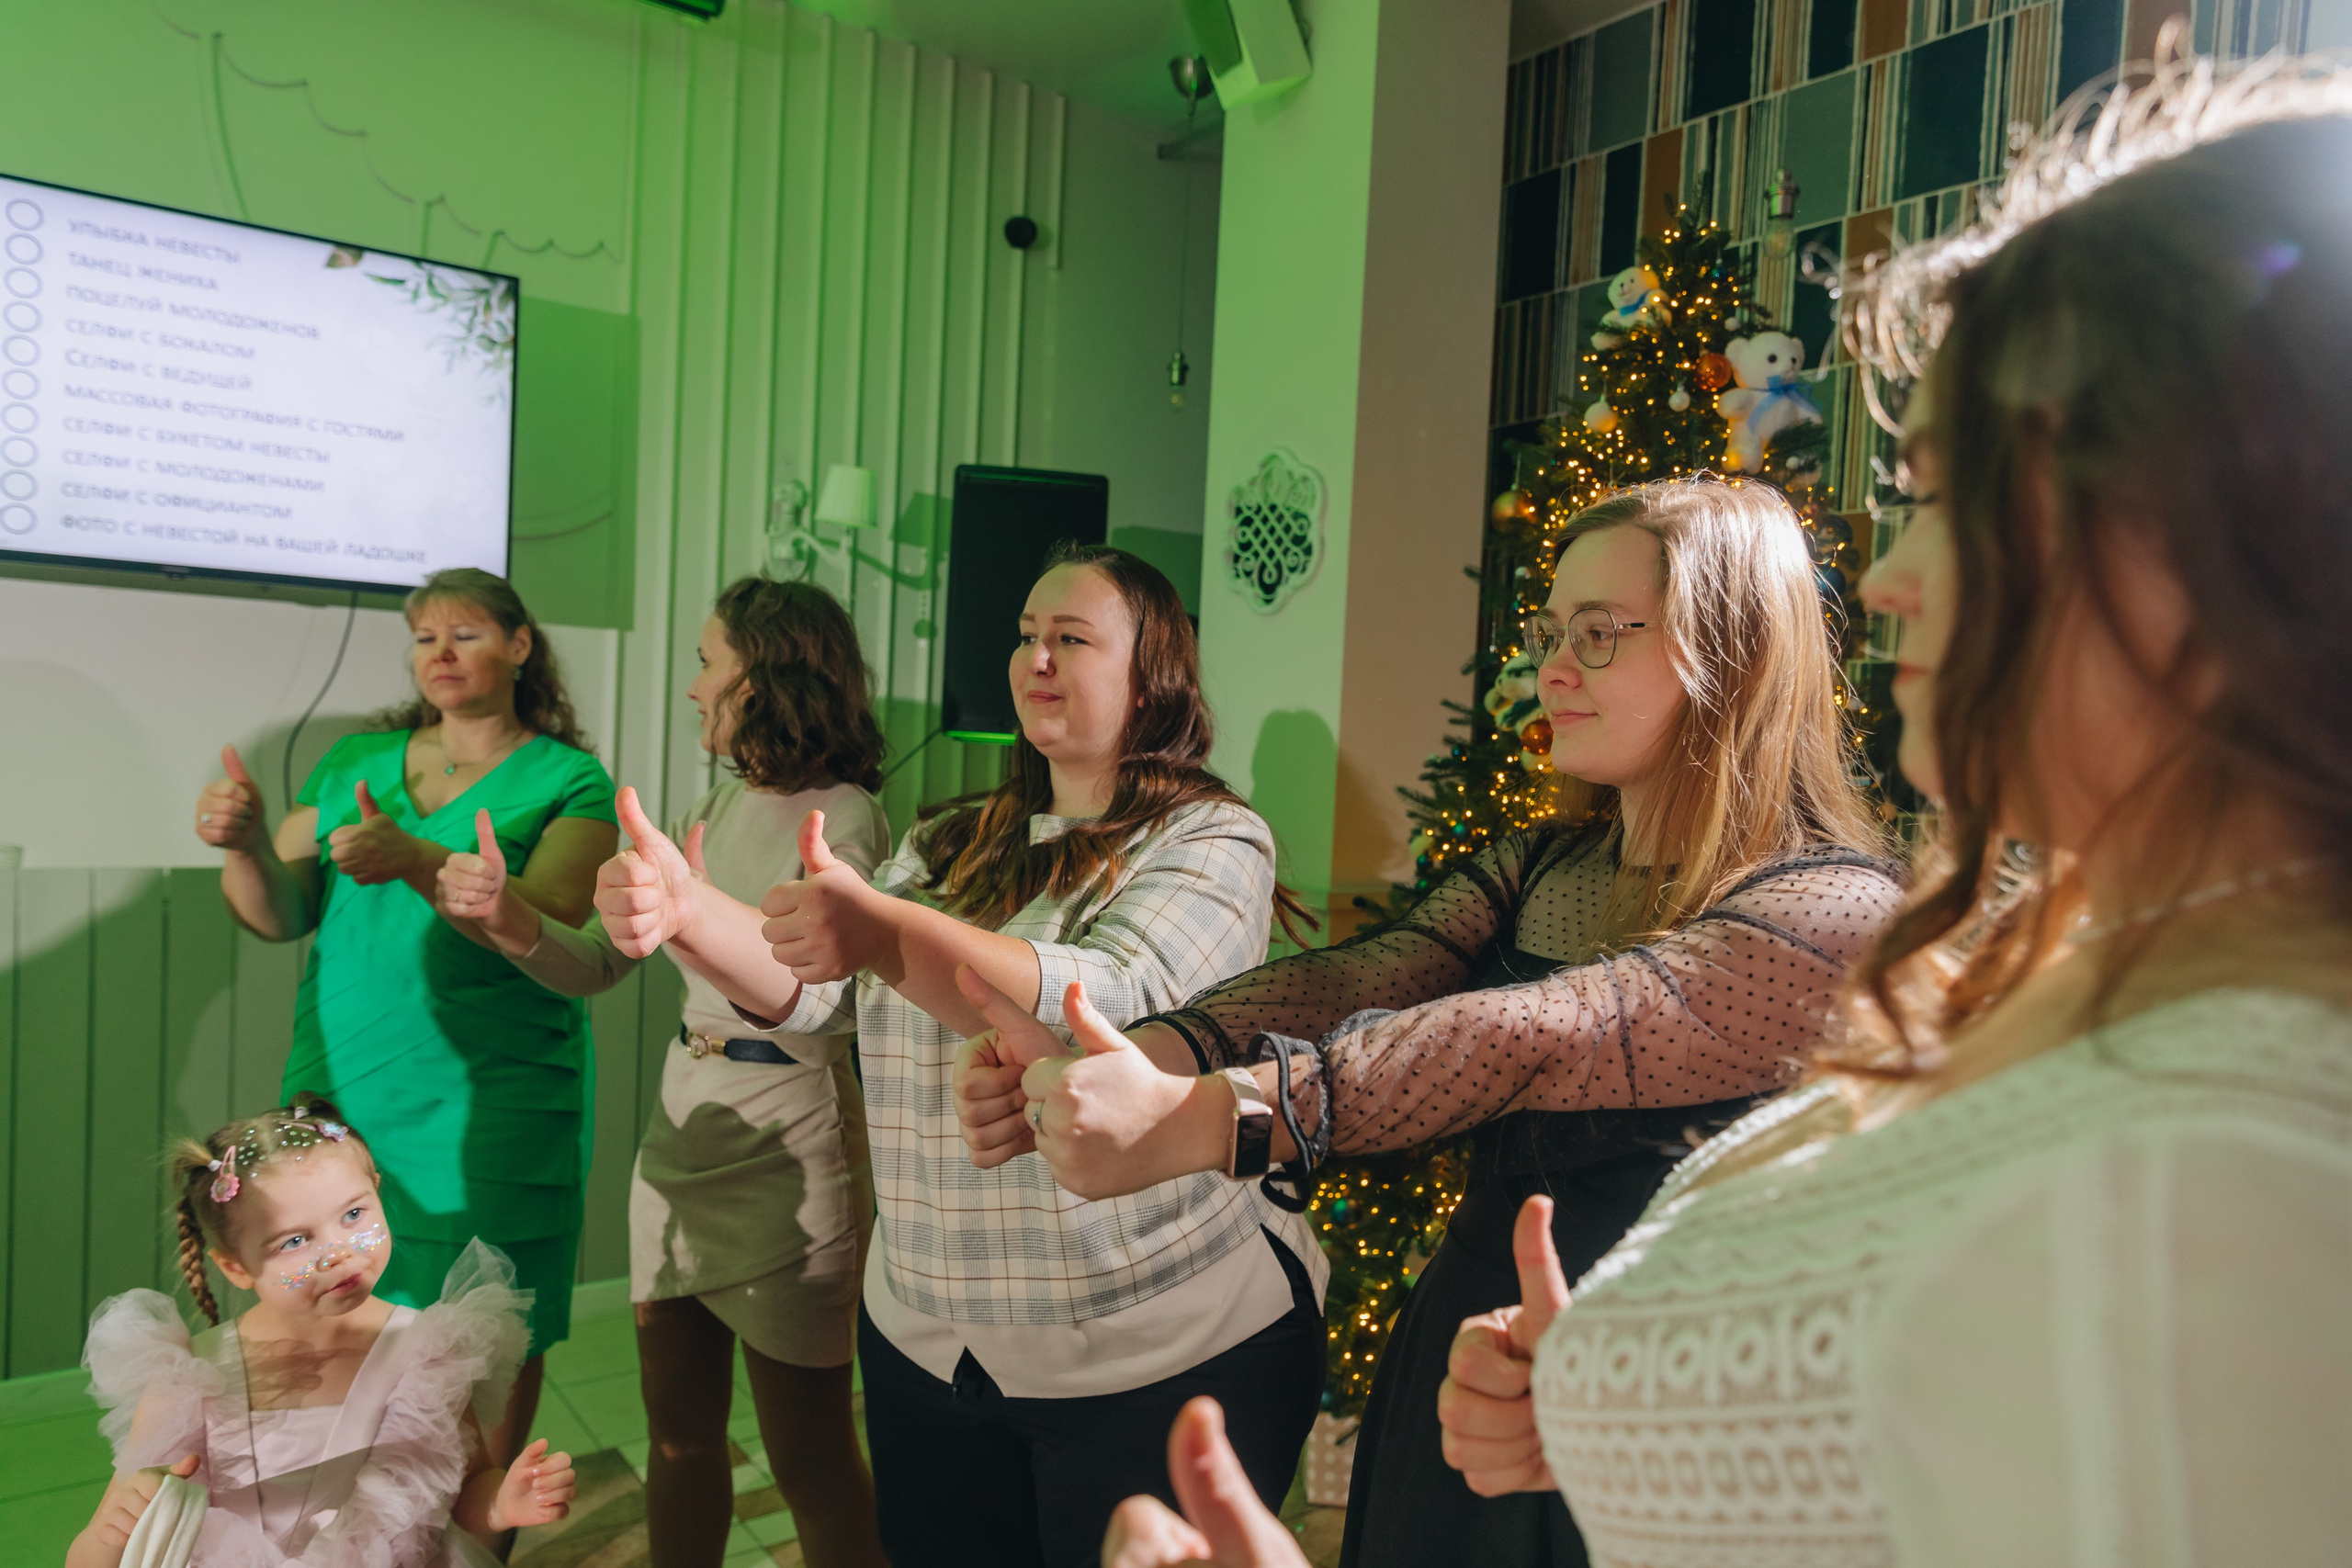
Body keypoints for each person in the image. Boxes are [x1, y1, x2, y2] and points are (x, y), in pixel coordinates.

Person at [1439, 42, 2352, 1564]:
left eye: (1945, 495)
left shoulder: (2240, 1176)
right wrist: (1605, 1414)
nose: (1888, 574)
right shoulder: (2093, 947)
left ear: (2218, 537)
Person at [956, 477, 1906, 1568]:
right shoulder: (1546, 863)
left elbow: (1540, 1032)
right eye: (1551, 631)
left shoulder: (1832, 905)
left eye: (1598, 635)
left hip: (1659, 1392)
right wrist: (1131, 1058)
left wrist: (1205, 1119)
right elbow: (1379, 972)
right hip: (1466, 1357)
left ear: (1730, 650)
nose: (1553, 668)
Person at [594, 544, 1323, 1568]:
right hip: (931, 1348)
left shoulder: (1210, 836)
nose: (1036, 657)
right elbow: (816, 999)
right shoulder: (946, 839)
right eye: (1027, 636)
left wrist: (889, 935)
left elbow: (1103, 1000)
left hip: (1148, 1355)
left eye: (1071, 639)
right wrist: (686, 911)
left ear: (1152, 674)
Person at [435, 578, 892, 1568]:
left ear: (767, 675)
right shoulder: (711, 805)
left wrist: (689, 911)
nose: (694, 690)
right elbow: (598, 961)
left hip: (787, 1154)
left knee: (808, 1457)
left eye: (706, 662)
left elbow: (826, 1000)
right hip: (679, 1142)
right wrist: (504, 914)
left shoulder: (845, 818)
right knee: (678, 1437)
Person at [193, 568, 618, 1473]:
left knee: (484, 1371)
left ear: (518, 646)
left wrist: (419, 857)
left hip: (491, 1114)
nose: (441, 653)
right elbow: (275, 912)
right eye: (424, 638)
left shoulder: (570, 780)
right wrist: (241, 848)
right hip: (342, 1098)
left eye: (464, 633)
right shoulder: (356, 764)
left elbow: (545, 915)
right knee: (334, 1367)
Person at [66, 1099, 577, 1568]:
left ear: (377, 1186)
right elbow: (93, 1556)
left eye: (354, 1215)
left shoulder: (429, 1353)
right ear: (235, 1266)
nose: (337, 1251)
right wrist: (110, 1533)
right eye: (295, 1240)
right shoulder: (190, 1381)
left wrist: (503, 1502)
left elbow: (466, 1489)